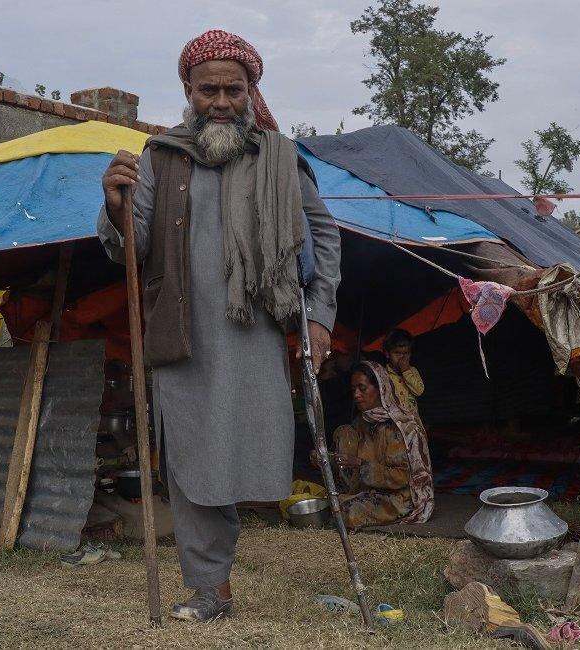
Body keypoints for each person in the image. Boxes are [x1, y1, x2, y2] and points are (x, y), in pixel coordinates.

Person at [97, 30, 341, 622]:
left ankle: (216, 573)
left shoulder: (280, 158)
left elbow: (325, 235)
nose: (222, 101)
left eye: (234, 89)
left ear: (252, 91)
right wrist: (114, 206)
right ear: (188, 91)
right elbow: (126, 246)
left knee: (247, 452)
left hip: (258, 333)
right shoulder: (159, 157)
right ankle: (211, 589)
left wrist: (319, 314)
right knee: (190, 461)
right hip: (183, 335)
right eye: (209, 90)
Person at [325, 361, 433, 529]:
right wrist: (325, 458)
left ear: (380, 388)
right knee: (344, 432)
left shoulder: (401, 426)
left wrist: (360, 464)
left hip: (399, 496)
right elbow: (346, 459)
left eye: (362, 388)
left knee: (349, 514)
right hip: (369, 489)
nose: (356, 395)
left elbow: (401, 477)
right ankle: (350, 497)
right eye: (353, 389)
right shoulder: (362, 421)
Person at [382, 329, 424, 415]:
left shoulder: (412, 370)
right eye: (397, 352)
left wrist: (406, 371)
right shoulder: (383, 373)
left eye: (406, 353)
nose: (402, 357)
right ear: (387, 354)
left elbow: (419, 391)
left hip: (411, 420)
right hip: (393, 420)